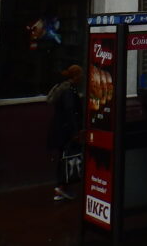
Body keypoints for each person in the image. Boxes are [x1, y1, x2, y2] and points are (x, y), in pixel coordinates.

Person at [47, 64, 83, 202]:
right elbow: (70, 111)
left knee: (64, 158)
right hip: (65, 130)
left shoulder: (65, 88)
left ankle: (61, 187)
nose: (82, 78)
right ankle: (62, 187)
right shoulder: (69, 91)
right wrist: (75, 131)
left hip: (60, 129)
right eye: (80, 75)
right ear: (75, 76)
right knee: (66, 158)